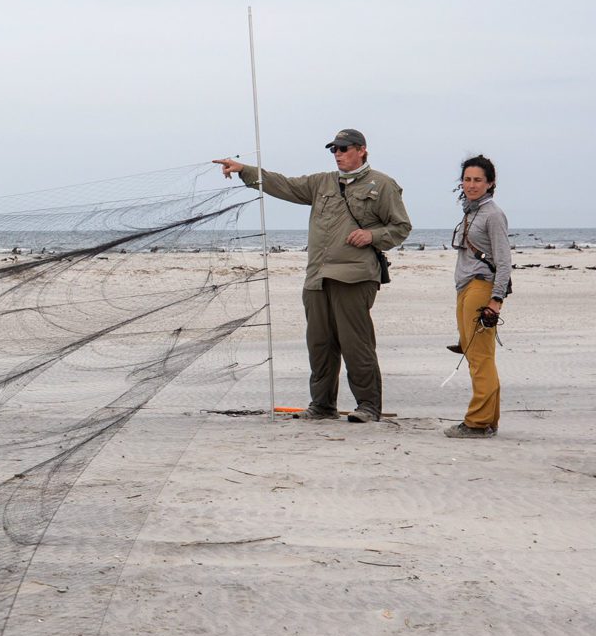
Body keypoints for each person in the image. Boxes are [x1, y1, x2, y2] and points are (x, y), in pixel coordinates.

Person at [213, 129, 411, 422]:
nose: (338, 154)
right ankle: (322, 406)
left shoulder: (382, 185)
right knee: (319, 345)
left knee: (356, 344)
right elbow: (284, 185)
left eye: (344, 148)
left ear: (362, 150)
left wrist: (371, 235)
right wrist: (245, 170)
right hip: (317, 277)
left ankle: (368, 406)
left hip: (354, 277)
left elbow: (401, 227)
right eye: (334, 149)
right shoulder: (322, 182)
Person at [445, 155, 510, 439]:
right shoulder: (470, 212)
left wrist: (496, 300)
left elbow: (505, 261)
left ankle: (478, 421)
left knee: (478, 357)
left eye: (477, 180)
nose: (471, 185)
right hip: (465, 288)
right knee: (478, 354)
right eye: (467, 179)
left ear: (490, 183)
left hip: (481, 287)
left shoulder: (492, 214)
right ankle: (489, 418)